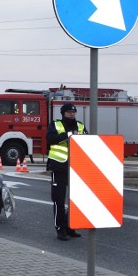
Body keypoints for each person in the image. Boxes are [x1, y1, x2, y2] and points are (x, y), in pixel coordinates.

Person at [46, 103, 87, 241]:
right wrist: (69, 135)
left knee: (75, 201)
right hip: (59, 167)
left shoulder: (80, 126)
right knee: (59, 200)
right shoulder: (55, 124)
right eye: (69, 112)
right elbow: (50, 139)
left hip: (76, 168)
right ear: (63, 113)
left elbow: (88, 142)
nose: (72, 114)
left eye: (73, 112)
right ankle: (60, 229)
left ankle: (70, 227)